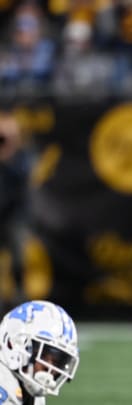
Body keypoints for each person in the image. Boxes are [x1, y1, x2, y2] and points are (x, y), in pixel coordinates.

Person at [0, 300, 80, 405]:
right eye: (44, 356)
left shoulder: (27, 385)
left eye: (58, 362)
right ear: (12, 344)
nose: (50, 369)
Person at [0, 112, 30, 313]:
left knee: (18, 260)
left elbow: (21, 175)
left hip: (13, 216)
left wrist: (9, 148)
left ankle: (19, 300)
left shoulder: (20, 157)